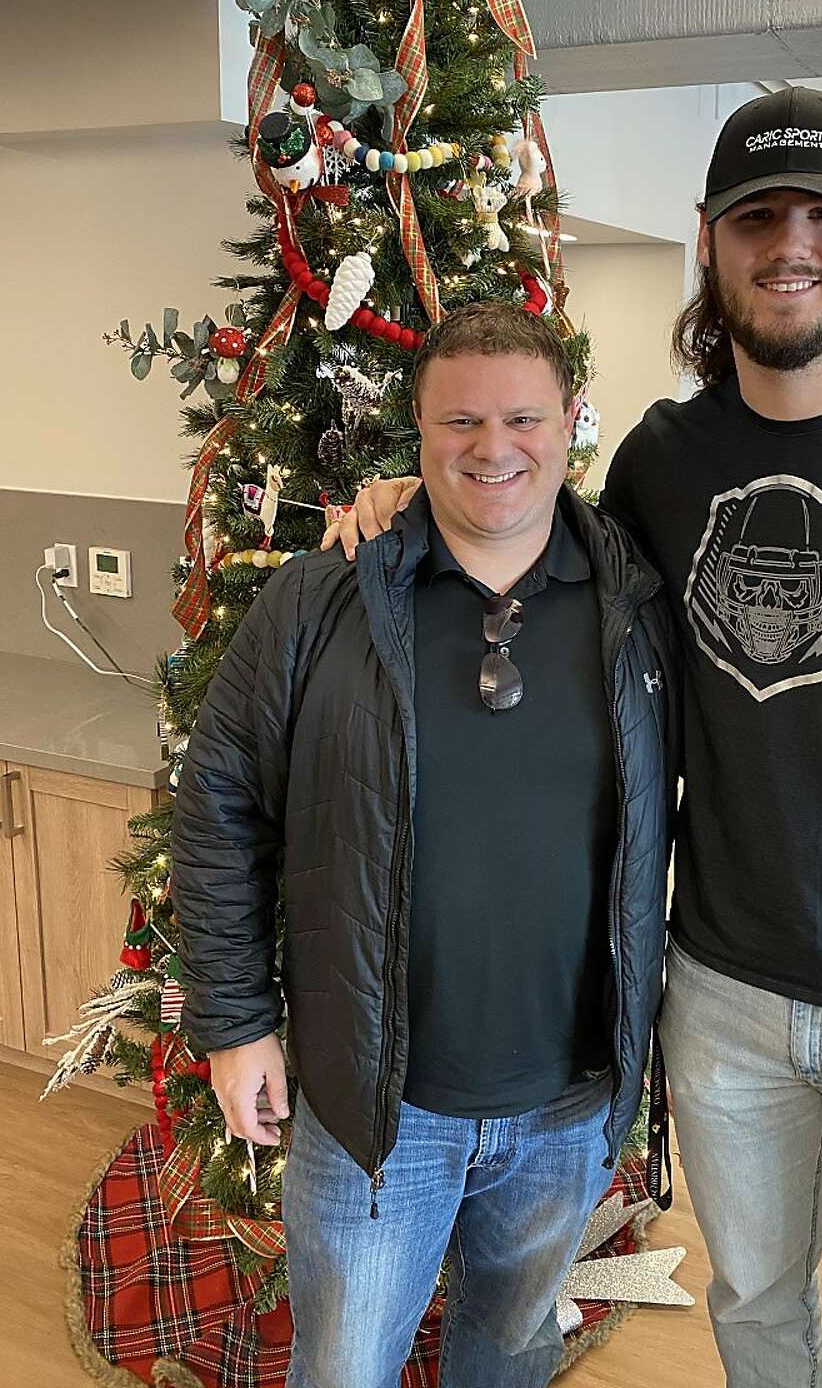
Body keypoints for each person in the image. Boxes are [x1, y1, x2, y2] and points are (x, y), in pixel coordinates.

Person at [329, 89, 822, 1388]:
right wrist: (426, 498)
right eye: (759, 215)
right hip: (722, 1000)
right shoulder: (662, 459)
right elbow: (546, 572)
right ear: (709, 237)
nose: (790, 242)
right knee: (757, 1319)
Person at [171, 301, 677, 1388]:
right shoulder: (320, 599)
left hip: (568, 1104)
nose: (494, 448)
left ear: (573, 422)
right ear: (418, 429)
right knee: (344, 1368)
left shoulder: (639, 607)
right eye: (461, 423)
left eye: (523, 418)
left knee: (508, 1351)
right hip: (376, 1117)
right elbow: (215, 797)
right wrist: (235, 1021)